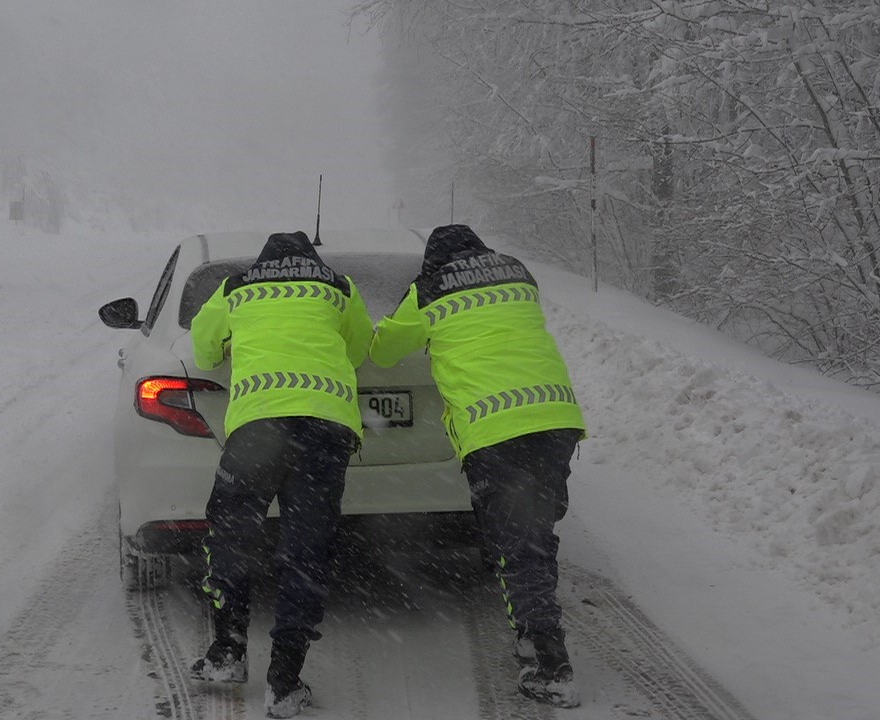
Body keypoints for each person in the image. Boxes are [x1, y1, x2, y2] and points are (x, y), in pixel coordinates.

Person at [368, 224, 587, 708]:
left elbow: (383, 351)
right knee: (536, 533)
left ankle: (554, 668)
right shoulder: (518, 273)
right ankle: (533, 635)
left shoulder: (428, 290)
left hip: (496, 428)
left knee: (516, 544)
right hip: (555, 420)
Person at [189, 231, 372, 719]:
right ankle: (285, 683)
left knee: (231, 536)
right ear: (310, 261)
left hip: (259, 430)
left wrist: (236, 340)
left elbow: (204, 350)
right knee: (307, 552)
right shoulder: (339, 286)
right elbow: (356, 351)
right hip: (325, 430)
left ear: (263, 261)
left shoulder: (235, 287)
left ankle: (227, 654)